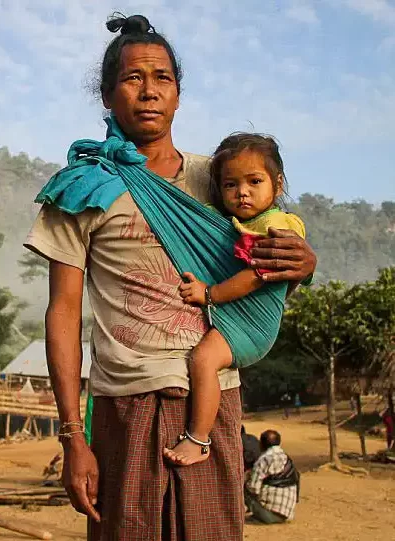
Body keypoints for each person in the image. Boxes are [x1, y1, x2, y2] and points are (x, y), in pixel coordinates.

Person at [25, 14, 317, 541]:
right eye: (133, 78)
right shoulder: (80, 189)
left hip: (213, 403)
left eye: (162, 78)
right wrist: (73, 435)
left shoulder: (223, 178)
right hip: (124, 407)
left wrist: (306, 262)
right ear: (107, 94)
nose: (149, 91)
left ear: (179, 94)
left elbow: (273, 253)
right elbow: (63, 312)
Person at [164, 134, 306, 466]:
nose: (242, 192)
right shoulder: (230, 220)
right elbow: (200, 220)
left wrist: (208, 293)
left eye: (254, 181)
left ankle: (198, 439)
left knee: (203, 360)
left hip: (251, 323)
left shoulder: (276, 225)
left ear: (278, 184)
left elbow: (257, 275)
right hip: (233, 315)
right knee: (202, 360)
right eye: (231, 184)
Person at [245, 429, 299, 524]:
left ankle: (252, 514)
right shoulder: (286, 457)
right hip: (287, 514)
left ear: (262, 444)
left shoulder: (264, 459)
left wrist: (247, 478)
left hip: (269, 516)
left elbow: (253, 488)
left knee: (242, 486)